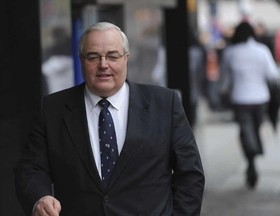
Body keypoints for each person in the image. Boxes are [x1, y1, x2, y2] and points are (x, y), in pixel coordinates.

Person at [14, 22, 205, 216]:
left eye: (112, 56)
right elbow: (31, 168)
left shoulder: (164, 104)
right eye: (93, 57)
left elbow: (190, 175)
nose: (103, 65)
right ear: (81, 60)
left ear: (126, 58)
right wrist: (39, 197)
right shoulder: (52, 109)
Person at [219, 21, 280, 189]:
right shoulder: (261, 51)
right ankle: (254, 154)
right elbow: (273, 74)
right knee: (254, 128)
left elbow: (224, 81)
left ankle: (251, 157)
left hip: (240, 98)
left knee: (245, 130)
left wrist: (222, 92)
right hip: (260, 98)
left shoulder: (230, 52)